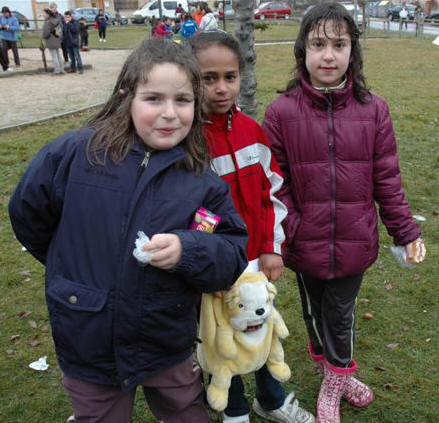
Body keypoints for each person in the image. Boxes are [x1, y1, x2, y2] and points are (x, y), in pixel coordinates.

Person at [9, 38, 248, 423]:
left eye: (182, 101)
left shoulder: (201, 181)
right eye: (153, 99)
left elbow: (232, 251)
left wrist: (188, 250)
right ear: (127, 96)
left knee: (186, 411)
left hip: (166, 337)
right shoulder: (75, 155)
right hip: (88, 334)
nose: (169, 114)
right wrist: (66, 263)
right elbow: (28, 213)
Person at [262, 3, 426, 423]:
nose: (329, 55)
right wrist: (292, 230)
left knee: (341, 316)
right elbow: (274, 185)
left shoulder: (375, 110)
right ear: (303, 50)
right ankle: (333, 368)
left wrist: (405, 231)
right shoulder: (281, 113)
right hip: (304, 244)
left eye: (339, 44)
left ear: (353, 51)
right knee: (315, 315)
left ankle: (333, 384)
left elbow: (387, 177)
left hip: (355, 242)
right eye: (318, 44)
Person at [190, 31, 315, 423]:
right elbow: (192, 212)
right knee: (222, 339)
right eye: (208, 78)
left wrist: (272, 247)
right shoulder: (187, 140)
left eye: (229, 76)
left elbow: (272, 194)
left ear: (241, 77)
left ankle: (271, 399)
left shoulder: (252, 131)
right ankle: (236, 409)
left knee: (259, 331)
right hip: (217, 268)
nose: (221, 87)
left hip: (257, 263)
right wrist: (209, 262)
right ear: (191, 79)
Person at [41, 8, 64, 75]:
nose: (43, 15)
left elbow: (46, 33)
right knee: (58, 55)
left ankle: (57, 70)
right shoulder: (56, 20)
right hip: (57, 39)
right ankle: (61, 69)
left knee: (54, 56)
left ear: (48, 14)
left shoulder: (48, 22)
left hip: (50, 40)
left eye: (44, 13)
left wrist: (43, 36)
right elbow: (60, 31)